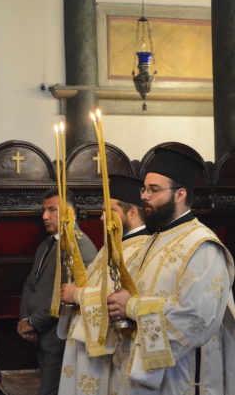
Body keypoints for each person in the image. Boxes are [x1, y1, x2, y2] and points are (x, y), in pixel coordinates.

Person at [107, 148, 235, 395]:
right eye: (144, 189)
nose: (145, 196)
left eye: (154, 190)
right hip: (141, 374)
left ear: (180, 194)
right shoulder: (153, 241)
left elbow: (196, 317)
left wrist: (130, 306)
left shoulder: (202, 246)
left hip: (181, 376)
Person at [58, 174, 149, 395]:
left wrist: (77, 295)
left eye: (110, 211)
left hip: (107, 352)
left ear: (132, 212)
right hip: (85, 344)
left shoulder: (142, 248)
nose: (102, 218)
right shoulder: (113, 246)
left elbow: (119, 297)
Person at [17, 188, 97, 395]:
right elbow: (30, 284)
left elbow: (64, 296)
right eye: (44, 210)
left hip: (59, 336)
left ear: (71, 212)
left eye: (52, 210)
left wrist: (33, 322)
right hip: (42, 334)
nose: (45, 216)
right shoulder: (47, 244)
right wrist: (24, 318)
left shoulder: (78, 245)